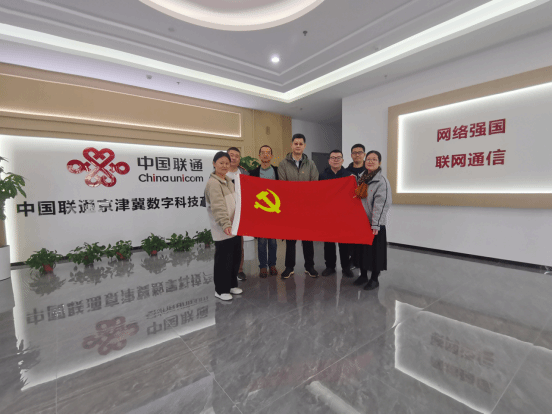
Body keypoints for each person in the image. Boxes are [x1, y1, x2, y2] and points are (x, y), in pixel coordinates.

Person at [278, 134, 319, 279]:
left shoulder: (311, 164)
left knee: (308, 239)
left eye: (301, 144)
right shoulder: (283, 164)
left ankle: (310, 266)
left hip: (307, 208)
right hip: (290, 208)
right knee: (290, 240)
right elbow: (282, 185)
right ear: (291, 145)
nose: (298, 146)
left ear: (304, 146)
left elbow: (314, 184)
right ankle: (289, 267)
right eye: (295, 143)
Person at [204, 151, 244, 301]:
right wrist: (225, 224)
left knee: (234, 257)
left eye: (227, 163)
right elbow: (218, 207)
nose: (224, 166)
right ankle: (220, 290)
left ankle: (232, 284)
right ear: (214, 164)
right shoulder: (213, 183)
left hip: (234, 227)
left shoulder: (228, 181)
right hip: (223, 229)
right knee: (223, 260)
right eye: (221, 163)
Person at [353, 150, 392, 290]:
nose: (370, 161)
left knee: (375, 253)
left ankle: (374, 279)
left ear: (379, 163)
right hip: (362, 223)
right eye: (368, 159)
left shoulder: (381, 181)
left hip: (374, 224)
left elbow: (382, 204)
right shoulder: (362, 179)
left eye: (374, 159)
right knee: (362, 251)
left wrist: (376, 224)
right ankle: (363, 275)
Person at [319, 149, 355, 278]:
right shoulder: (322, 175)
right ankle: (330, 266)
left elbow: (352, 195)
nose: (335, 160)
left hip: (343, 214)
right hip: (328, 214)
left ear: (342, 160)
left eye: (338, 157)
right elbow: (319, 194)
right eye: (333, 158)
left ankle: (346, 267)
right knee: (329, 243)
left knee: (344, 243)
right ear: (329, 160)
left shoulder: (349, 176)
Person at [249, 145, 279, 278]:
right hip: (259, 212)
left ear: (271, 156)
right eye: (263, 153)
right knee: (261, 241)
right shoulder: (253, 173)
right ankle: (262, 266)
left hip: (274, 211)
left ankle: (272, 264)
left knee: (272, 241)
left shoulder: (277, 171)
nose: (265, 155)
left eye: (268, 153)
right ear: (259, 156)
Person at [226, 147, 249, 281]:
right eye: (231, 155)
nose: (233, 158)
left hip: (239, 214)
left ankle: (239, 270)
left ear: (239, 159)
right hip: (225, 214)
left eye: (236, 156)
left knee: (239, 244)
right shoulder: (219, 173)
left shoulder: (244, 173)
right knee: (225, 244)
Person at [346, 144, 367, 269]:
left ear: (364, 154)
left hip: (366, 208)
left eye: (360, 152)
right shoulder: (346, 172)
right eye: (354, 152)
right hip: (351, 209)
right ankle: (353, 260)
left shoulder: (370, 171)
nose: (357, 155)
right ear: (351, 155)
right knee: (351, 237)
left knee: (365, 236)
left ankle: (365, 261)